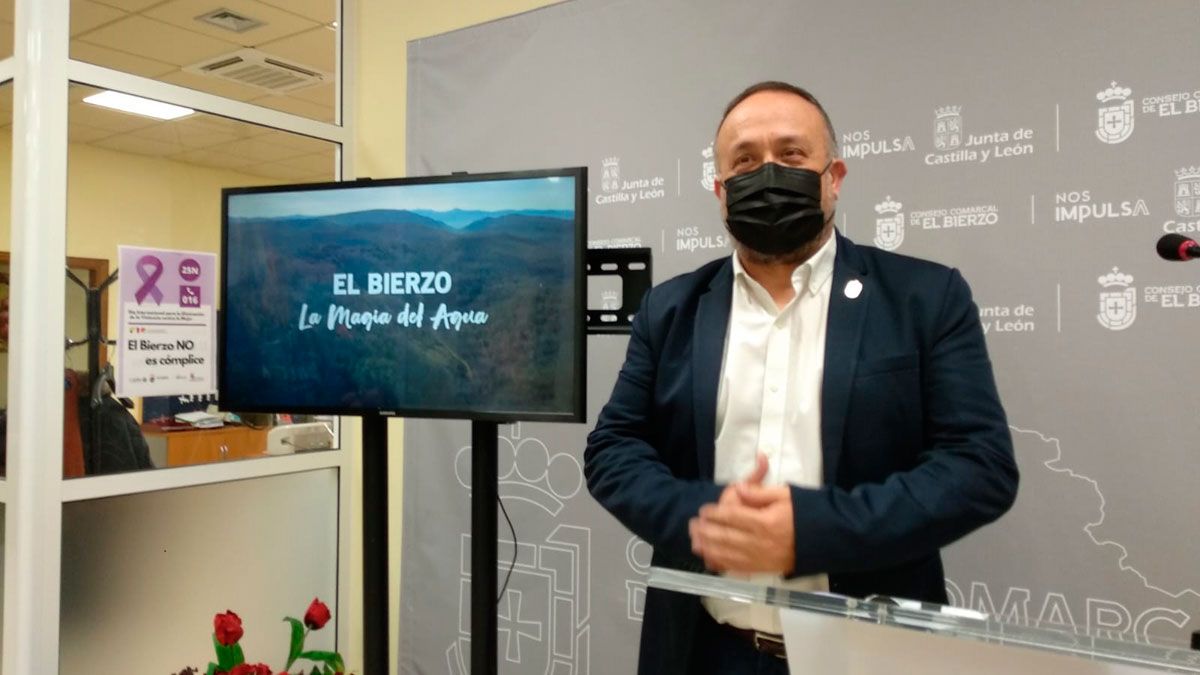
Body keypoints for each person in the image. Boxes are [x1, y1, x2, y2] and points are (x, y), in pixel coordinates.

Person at [584, 81, 1018, 675]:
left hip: (870, 654)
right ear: (720, 191)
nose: (767, 173)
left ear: (833, 176)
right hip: (704, 650)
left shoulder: (926, 297)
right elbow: (614, 449)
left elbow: (978, 467)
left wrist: (808, 530)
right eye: (744, 160)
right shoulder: (671, 309)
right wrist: (711, 520)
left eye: (790, 155)